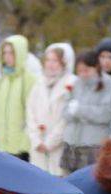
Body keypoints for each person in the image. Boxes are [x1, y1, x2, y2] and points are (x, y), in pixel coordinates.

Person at [62, 49, 111, 172]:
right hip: (72, 142)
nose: (83, 74)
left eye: (86, 70)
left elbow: (106, 114)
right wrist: (70, 111)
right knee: (69, 183)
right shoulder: (75, 83)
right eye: (79, 71)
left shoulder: (107, 84)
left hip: (93, 144)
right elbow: (65, 112)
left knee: (90, 181)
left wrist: (80, 110)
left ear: (96, 67)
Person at [26, 42, 75, 176]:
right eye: (48, 60)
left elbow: (67, 118)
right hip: (38, 149)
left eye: (55, 61)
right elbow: (30, 113)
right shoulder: (38, 83)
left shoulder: (70, 83)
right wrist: (36, 139)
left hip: (58, 148)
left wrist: (50, 142)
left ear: (63, 63)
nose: (51, 64)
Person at [0, 35, 36, 159]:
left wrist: (24, 144)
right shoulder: (0, 80)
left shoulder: (29, 80)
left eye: (12, 53)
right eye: (5, 53)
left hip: (20, 148)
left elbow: (32, 114)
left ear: (20, 53)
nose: (7, 56)